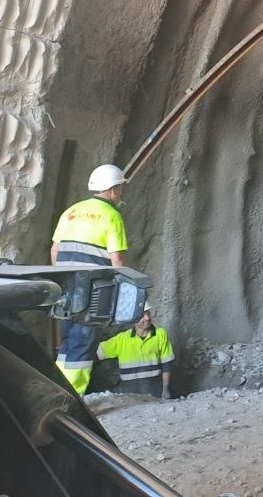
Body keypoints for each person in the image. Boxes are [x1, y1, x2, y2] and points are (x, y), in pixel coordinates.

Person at [51, 163, 129, 393]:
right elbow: (118, 261)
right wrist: (121, 293)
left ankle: (56, 391)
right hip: (94, 293)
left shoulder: (71, 212)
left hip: (66, 289)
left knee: (66, 344)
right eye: (120, 188)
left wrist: (65, 280)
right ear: (113, 190)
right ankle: (72, 400)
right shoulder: (112, 216)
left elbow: (55, 250)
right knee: (82, 348)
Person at [97, 304, 174, 398]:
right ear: (132, 319)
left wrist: (165, 389)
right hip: (129, 395)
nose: (147, 318)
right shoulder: (122, 338)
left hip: (155, 391)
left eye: (148, 313)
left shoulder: (160, 334)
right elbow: (95, 353)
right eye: (142, 315)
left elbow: (167, 365)